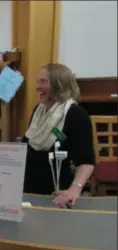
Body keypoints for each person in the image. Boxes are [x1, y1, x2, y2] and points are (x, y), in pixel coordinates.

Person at [23, 63, 95, 207]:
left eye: (43, 82)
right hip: (28, 188)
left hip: (57, 191)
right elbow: (28, 144)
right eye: (37, 82)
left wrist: (74, 189)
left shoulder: (76, 115)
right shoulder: (39, 110)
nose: (37, 87)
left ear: (60, 85)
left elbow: (86, 161)